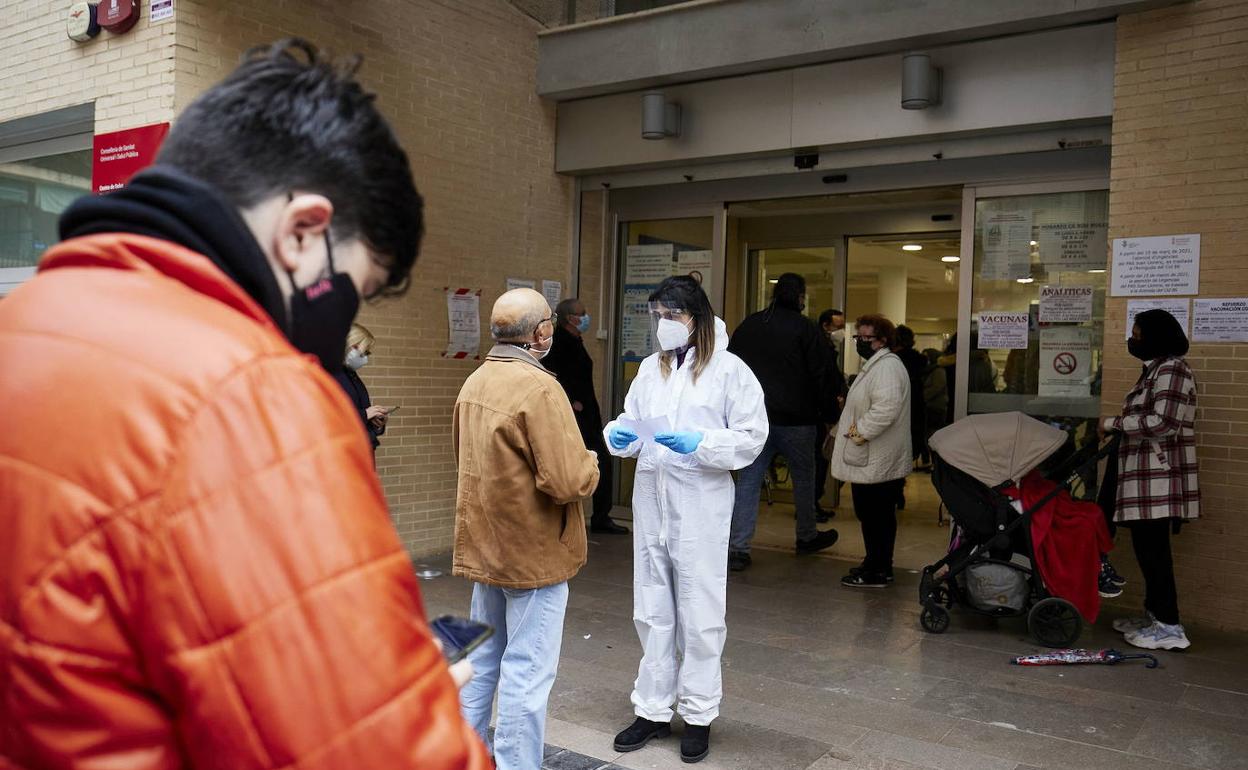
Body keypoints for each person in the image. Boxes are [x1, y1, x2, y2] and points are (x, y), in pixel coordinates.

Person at [0, 39, 489, 769]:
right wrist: (409, 690)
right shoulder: (248, 396)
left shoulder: (24, 324)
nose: (347, 325)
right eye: (357, 288)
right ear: (303, 231)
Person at [604, 276, 767, 764]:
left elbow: (752, 436)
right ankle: (652, 709)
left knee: (699, 611)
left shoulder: (729, 370)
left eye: (672, 316)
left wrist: (704, 445)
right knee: (651, 607)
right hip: (652, 496)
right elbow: (632, 420)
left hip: (700, 499)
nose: (663, 325)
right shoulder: (650, 371)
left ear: (695, 317)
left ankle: (698, 715)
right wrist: (620, 435)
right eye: (657, 316)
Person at [454, 288, 601, 769]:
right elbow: (567, 480)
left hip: (484, 544)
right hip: (534, 552)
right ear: (541, 333)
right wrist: (592, 462)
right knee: (527, 670)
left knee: (481, 661)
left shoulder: (475, 381)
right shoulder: (539, 387)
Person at [727, 273, 843, 571]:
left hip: (755, 420)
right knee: (804, 479)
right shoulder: (806, 329)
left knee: (749, 482)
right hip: (798, 420)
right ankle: (806, 536)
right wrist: (829, 414)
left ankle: (738, 547)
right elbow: (822, 374)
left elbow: (729, 370)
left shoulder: (750, 325)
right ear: (800, 296)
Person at [1100, 309, 1199, 651]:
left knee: (1155, 553)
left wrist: (1114, 424)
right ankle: (1154, 616)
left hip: (1158, 480)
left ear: (1156, 336)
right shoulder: (1154, 370)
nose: (1133, 339)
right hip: (1143, 480)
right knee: (1146, 550)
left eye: (1138, 334)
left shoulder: (1173, 369)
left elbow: (1164, 422)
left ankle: (1170, 627)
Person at [831, 314, 912, 588]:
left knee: (877, 516)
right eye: (859, 337)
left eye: (868, 339)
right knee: (872, 515)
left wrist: (857, 434)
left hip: (878, 458)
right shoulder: (876, 365)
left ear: (883, 341)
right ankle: (874, 563)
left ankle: (878, 569)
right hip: (873, 458)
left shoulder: (887, 367)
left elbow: (885, 409)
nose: (861, 343)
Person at [543, 297, 629, 534]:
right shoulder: (560, 343)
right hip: (575, 415)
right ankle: (585, 517)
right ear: (571, 318)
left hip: (587, 413)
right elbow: (553, 375)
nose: (587, 317)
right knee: (589, 462)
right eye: (583, 313)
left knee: (599, 461)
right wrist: (571, 402)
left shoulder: (575, 340)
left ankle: (600, 515)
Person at [333, 322, 390, 459]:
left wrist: (376, 423)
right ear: (351, 346)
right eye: (364, 352)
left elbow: (361, 412)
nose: (365, 358)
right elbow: (330, 418)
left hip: (363, 448)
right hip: (344, 453)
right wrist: (365, 414)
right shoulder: (331, 375)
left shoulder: (352, 375)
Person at [893, 326, 928, 502]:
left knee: (892, 453)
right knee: (905, 452)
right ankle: (898, 490)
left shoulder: (891, 361)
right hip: (915, 410)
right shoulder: (920, 361)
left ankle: (894, 491)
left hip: (896, 411)